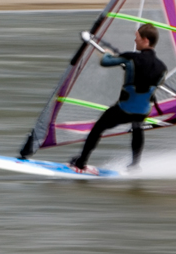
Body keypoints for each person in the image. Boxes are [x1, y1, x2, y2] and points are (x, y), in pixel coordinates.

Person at [70, 23, 167, 173]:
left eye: (137, 38)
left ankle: (81, 162)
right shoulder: (162, 68)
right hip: (143, 110)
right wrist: (129, 69)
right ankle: (135, 165)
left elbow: (105, 61)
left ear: (146, 40)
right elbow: (154, 83)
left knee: (98, 128)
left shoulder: (131, 58)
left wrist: (106, 53)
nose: (135, 41)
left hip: (124, 109)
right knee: (137, 126)